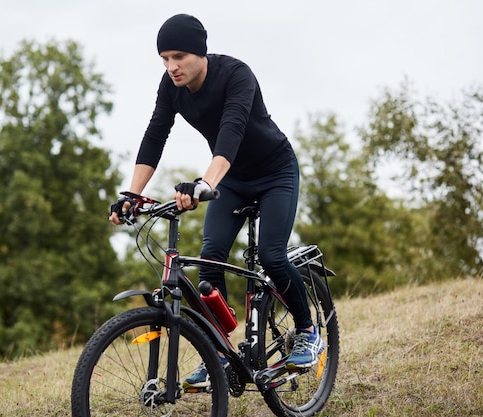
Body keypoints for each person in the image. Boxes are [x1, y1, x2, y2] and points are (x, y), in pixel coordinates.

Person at [109, 13, 324, 387]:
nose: (171, 66)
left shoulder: (236, 75)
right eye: (164, 59)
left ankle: (307, 330)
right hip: (234, 179)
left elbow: (232, 130)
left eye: (178, 56)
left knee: (273, 255)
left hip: (275, 173)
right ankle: (219, 356)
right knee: (209, 262)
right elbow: (155, 134)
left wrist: (204, 183)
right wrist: (132, 193)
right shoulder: (170, 86)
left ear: (200, 53)